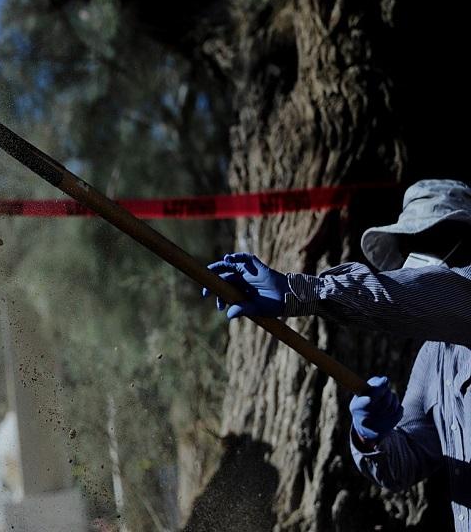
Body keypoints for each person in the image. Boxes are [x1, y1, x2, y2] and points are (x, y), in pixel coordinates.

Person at [202, 179, 471, 528]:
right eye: (410, 244)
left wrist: (298, 291)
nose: (418, 256)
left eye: (435, 239)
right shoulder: (433, 359)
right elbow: (402, 465)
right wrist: (372, 435)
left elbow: (429, 294)